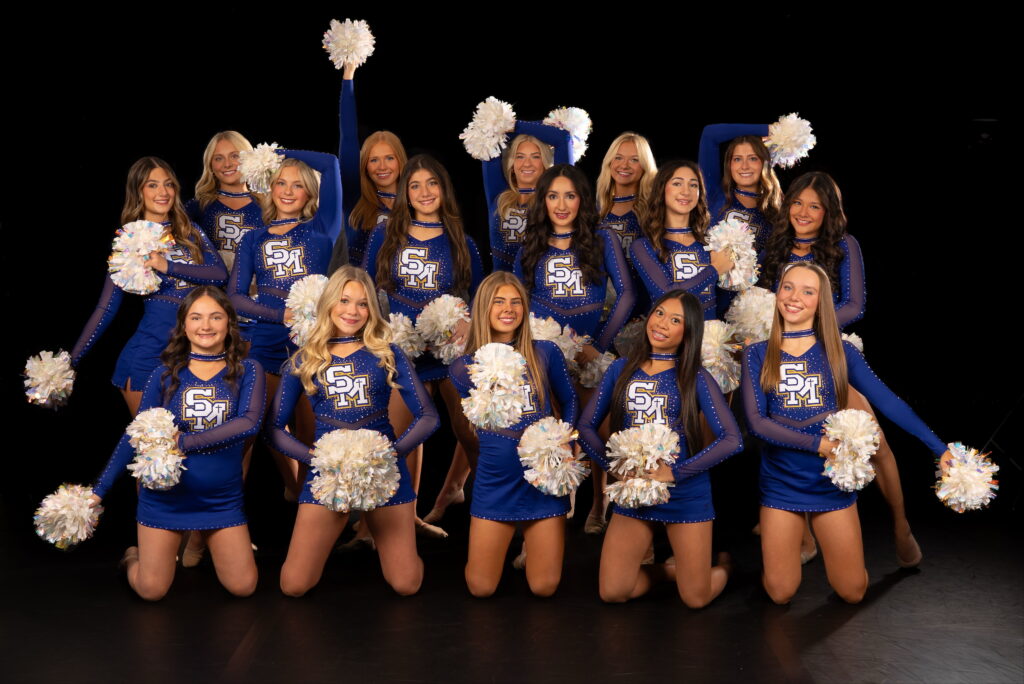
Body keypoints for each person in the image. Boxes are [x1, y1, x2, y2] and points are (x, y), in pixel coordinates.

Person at [741, 262, 952, 603]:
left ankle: (896, 532)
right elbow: (757, 424)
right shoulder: (756, 353)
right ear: (777, 293)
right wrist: (819, 442)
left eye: (808, 291)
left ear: (821, 301)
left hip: (829, 484)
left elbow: (890, 402)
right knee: (780, 593)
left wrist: (938, 447)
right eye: (788, 287)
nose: (795, 297)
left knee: (853, 592)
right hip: (782, 483)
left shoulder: (841, 351)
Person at [268, 266, 437, 596]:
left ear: (371, 309)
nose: (353, 310)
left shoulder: (387, 353)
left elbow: (429, 417)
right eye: (345, 300)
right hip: (328, 475)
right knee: (294, 586)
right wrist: (313, 457)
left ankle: (410, 558)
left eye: (363, 303)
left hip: (383, 471)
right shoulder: (304, 358)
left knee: (405, 585)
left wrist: (391, 454)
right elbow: (274, 430)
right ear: (329, 303)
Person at [90, 287, 263, 600]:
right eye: (196, 317)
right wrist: (98, 491)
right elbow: (135, 434)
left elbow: (248, 423)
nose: (206, 325)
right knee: (151, 590)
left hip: (221, 499)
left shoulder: (248, 370)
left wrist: (183, 440)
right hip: (167, 498)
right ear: (184, 325)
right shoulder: (163, 375)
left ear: (229, 324)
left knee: (244, 586)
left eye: (216, 317)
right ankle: (133, 556)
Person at [579, 290, 742, 606]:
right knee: (613, 592)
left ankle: (722, 569)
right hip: (634, 492)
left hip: (685, 493)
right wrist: (615, 468)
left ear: (688, 331)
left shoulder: (696, 377)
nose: (663, 323)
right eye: (660, 313)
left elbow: (732, 439)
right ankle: (670, 573)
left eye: (676, 319)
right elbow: (585, 427)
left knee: (696, 598)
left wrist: (675, 473)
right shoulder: (620, 368)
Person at [363, 154, 484, 538]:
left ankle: (496, 511)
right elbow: (364, 289)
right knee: (397, 437)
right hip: (402, 350)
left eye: (432, 183)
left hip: (447, 352)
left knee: (471, 433)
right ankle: (388, 523)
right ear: (405, 193)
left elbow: (481, 297)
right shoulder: (384, 234)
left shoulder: (461, 240)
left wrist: (466, 321)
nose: (424, 192)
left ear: (443, 189)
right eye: (414, 185)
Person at [514, 163, 635, 533]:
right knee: (550, 426)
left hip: (589, 351)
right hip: (544, 352)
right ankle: (556, 497)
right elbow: (517, 303)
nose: (561, 204)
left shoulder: (601, 239)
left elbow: (627, 295)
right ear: (542, 201)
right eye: (552, 196)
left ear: (582, 199)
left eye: (569, 195)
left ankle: (600, 502)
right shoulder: (530, 244)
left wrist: (597, 346)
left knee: (596, 425)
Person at [449, 272, 579, 596]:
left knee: (545, 587)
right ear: (483, 308)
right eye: (499, 301)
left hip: (542, 478)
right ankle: (504, 551)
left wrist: (565, 439)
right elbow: (473, 428)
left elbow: (570, 400)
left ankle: (532, 553)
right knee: (480, 588)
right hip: (496, 480)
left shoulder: (545, 352)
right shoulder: (463, 368)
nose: (509, 309)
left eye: (516, 301)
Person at [71, 157, 227, 416]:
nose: (163, 192)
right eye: (152, 185)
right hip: (150, 357)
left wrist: (168, 266)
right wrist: (73, 359)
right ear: (138, 191)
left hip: (196, 353)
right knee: (156, 451)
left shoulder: (191, 232)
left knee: (191, 445)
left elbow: (219, 274)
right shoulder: (129, 241)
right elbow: (106, 307)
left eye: (169, 185)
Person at [630, 161, 735, 319]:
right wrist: (714, 269)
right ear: (661, 189)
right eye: (677, 183)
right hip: (669, 338)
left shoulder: (712, 242)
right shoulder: (643, 246)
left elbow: (723, 298)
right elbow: (666, 295)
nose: (686, 192)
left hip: (710, 339)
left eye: (693, 185)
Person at [330, 61, 407, 271]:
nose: (382, 166)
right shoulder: (356, 198)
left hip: (402, 297)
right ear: (364, 165)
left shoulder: (416, 202)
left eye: (390, 158)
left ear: (401, 161)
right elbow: (347, 136)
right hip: (359, 295)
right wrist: (348, 77)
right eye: (373, 160)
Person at [483, 123, 573, 272]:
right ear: (512, 164)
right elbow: (489, 136)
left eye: (535, 156)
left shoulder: (555, 197)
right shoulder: (499, 195)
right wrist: (499, 122)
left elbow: (563, 137)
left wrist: (512, 124)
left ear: (544, 162)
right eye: (520, 156)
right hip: (502, 287)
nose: (527, 163)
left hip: (541, 287)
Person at [185, 131, 265, 271]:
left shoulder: (268, 205)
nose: (227, 164)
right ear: (210, 165)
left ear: (250, 159)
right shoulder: (198, 206)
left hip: (255, 289)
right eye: (218, 158)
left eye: (235, 156)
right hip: (209, 290)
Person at [698, 123, 782, 252]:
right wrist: (770, 130)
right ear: (729, 164)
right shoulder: (713, 191)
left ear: (764, 163)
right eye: (737, 159)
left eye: (753, 158)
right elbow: (710, 134)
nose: (744, 166)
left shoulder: (776, 209)